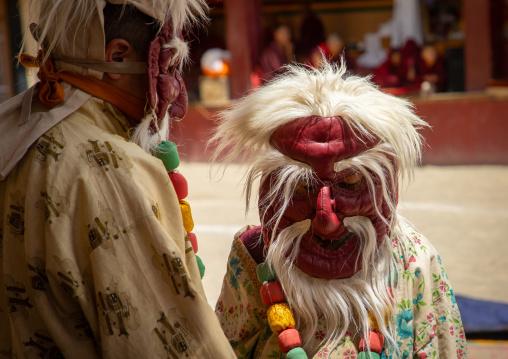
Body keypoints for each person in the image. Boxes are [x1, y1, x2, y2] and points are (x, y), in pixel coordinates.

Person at [0, 1, 235, 358]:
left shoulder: (12, 133)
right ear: (119, 57)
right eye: (168, 66)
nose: (174, 90)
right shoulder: (111, 169)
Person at [210, 63, 468, 358]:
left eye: (352, 182)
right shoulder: (254, 260)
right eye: (301, 188)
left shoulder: (413, 260)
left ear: (388, 185)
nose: (327, 222)